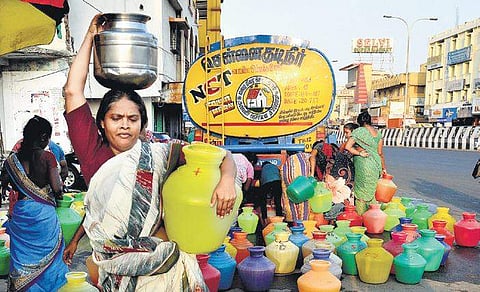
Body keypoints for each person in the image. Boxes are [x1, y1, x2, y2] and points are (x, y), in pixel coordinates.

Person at [62, 14, 237, 290]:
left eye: (132, 119)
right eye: (116, 118)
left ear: (144, 125)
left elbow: (221, 156)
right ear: (101, 123)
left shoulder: (160, 155)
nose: (124, 125)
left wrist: (226, 180)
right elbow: (73, 92)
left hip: (162, 265)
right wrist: (90, 36)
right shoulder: (93, 154)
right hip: (116, 270)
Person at [0, 116, 68, 291]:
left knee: (22, 257)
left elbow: (4, 182)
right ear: (44, 137)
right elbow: (58, 190)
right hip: (43, 217)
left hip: (22, 212)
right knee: (51, 259)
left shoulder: (11, 161)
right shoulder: (47, 157)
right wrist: (55, 192)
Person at [344, 111, 386, 215]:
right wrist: (383, 168)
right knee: (372, 191)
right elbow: (380, 153)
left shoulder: (359, 131)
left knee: (361, 191)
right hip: (376, 165)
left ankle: (361, 216)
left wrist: (359, 153)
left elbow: (347, 147)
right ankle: (373, 217)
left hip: (363, 164)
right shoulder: (378, 134)